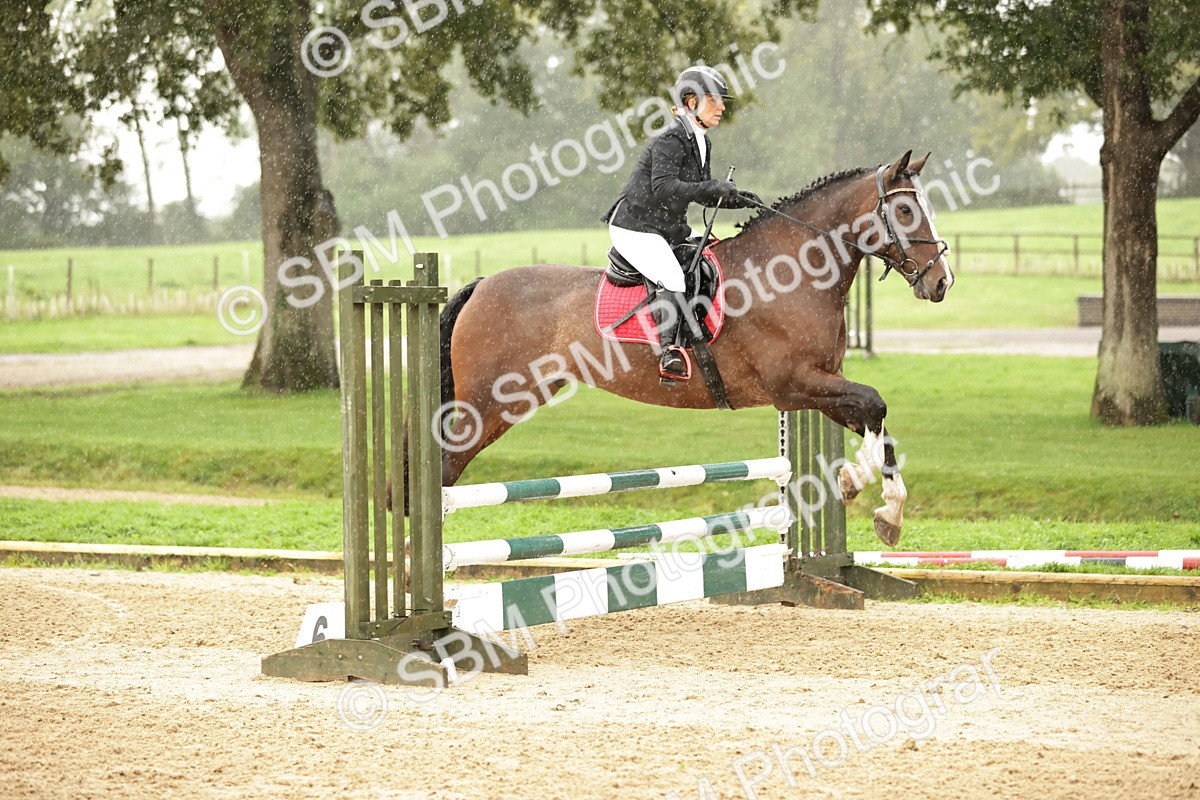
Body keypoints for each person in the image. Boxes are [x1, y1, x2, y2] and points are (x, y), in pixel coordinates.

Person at [602, 65, 762, 380]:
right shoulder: (670, 138)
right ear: (691, 102)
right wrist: (712, 187)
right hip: (635, 227)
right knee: (674, 277)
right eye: (714, 100)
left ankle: (696, 328)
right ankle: (669, 353)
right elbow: (664, 187)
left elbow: (701, 192)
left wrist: (737, 198)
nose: (722, 107)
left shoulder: (701, 141)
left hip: (666, 229)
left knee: (713, 252)